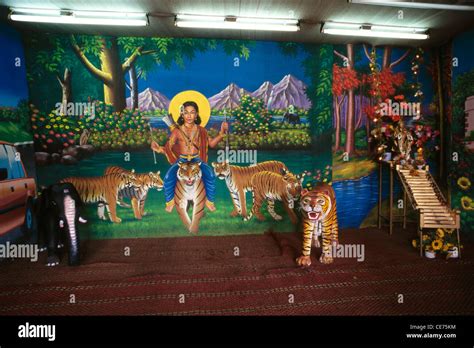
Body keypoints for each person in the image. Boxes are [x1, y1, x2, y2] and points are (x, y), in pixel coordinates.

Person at [151, 101, 228, 213]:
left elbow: (211, 144)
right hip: (181, 160)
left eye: (192, 113)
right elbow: (169, 147)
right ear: (182, 115)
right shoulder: (177, 132)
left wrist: (221, 133)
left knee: (210, 175)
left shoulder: (201, 130)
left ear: (196, 115)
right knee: (168, 178)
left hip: (197, 159)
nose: (189, 116)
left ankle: (209, 201)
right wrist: (158, 149)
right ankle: (170, 201)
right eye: (186, 113)